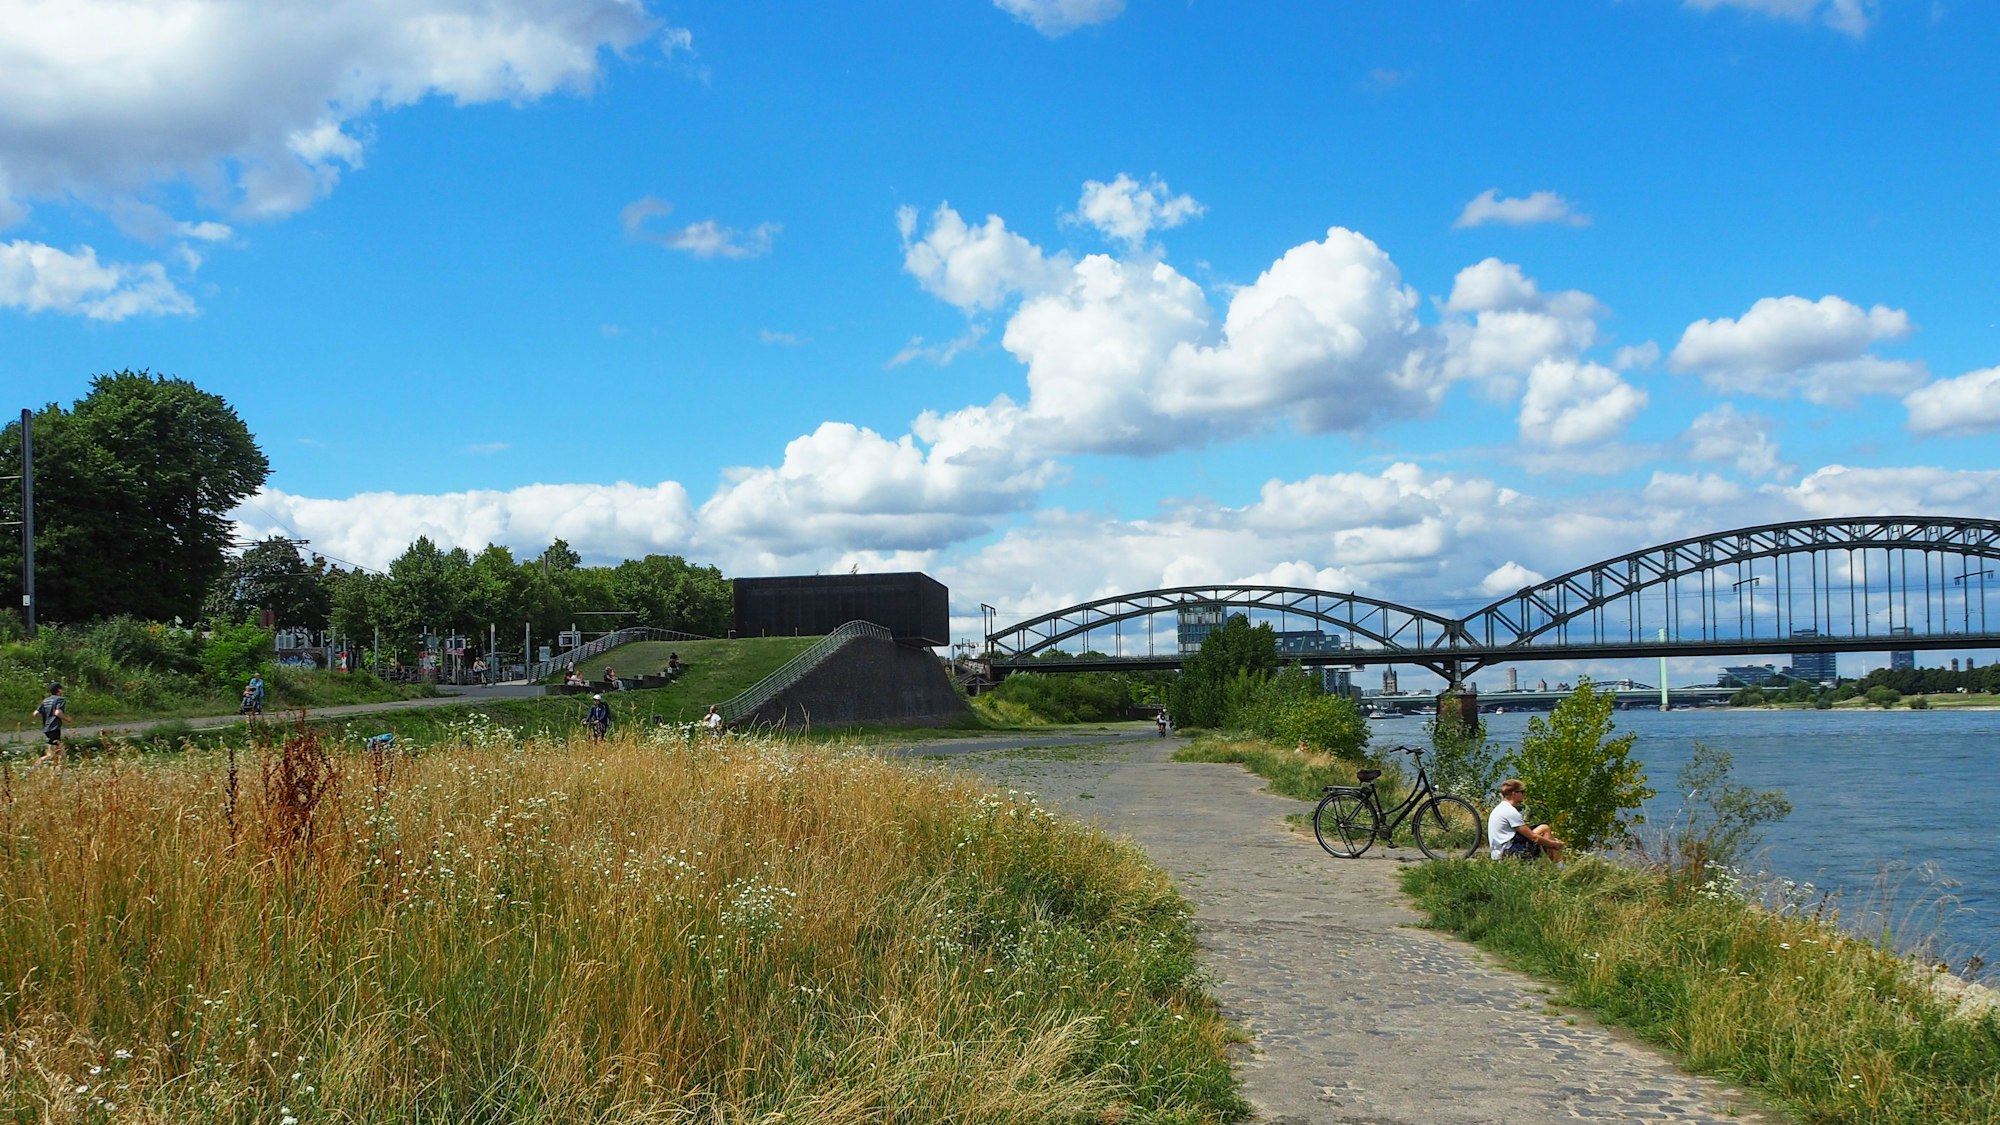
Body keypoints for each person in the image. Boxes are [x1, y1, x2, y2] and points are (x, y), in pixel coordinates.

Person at [1487, 778, 1564, 862]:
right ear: (1514, 793)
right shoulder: (1510, 811)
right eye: (1522, 792)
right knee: (1545, 829)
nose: (1524, 795)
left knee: (1544, 831)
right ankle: (1560, 867)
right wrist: (1554, 844)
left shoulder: (1501, 808)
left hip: (1499, 852)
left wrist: (1550, 842)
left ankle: (1558, 865)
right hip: (1508, 853)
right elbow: (1533, 837)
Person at [31, 683, 66, 767]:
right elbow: (57, 713)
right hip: (54, 728)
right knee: (51, 755)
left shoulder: (46, 700)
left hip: (47, 728)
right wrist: (67, 719)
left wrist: (46, 716)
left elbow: (35, 713)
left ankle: (61, 771)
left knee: (61, 752)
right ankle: (35, 766)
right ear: (59, 690)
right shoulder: (60, 699)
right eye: (61, 689)